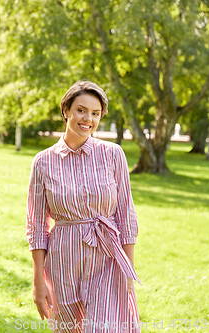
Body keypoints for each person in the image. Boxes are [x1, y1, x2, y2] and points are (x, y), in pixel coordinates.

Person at [26, 81, 141, 332]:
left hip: (107, 258)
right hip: (63, 262)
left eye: (95, 113)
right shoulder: (43, 162)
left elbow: (126, 216)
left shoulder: (113, 155)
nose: (88, 118)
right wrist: (38, 281)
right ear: (66, 110)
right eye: (81, 110)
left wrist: (128, 273)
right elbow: (36, 226)